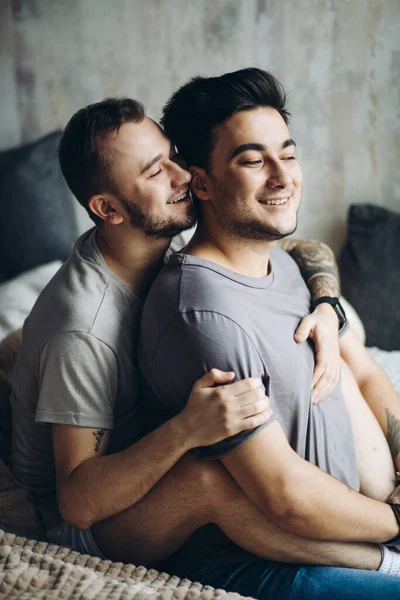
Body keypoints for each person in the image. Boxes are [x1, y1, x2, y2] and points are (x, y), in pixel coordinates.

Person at [8, 96, 395, 579]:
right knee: (210, 478)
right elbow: (77, 502)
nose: (183, 174)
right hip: (74, 526)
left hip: (131, 462)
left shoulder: (156, 230)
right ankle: (383, 564)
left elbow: (295, 243)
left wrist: (326, 303)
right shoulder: (84, 330)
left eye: (172, 154)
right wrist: (185, 431)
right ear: (107, 208)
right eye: (156, 172)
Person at [138, 69, 400, 597]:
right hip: (273, 560)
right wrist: (395, 521)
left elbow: (364, 371)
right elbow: (283, 497)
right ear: (202, 183)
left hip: (360, 530)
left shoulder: (278, 263)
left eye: (288, 152)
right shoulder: (203, 312)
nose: (284, 176)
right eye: (254, 161)